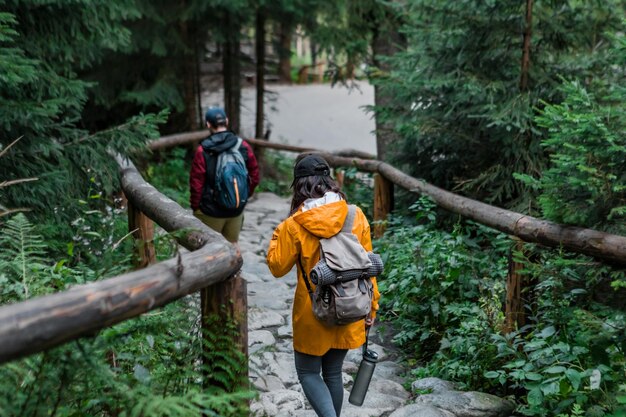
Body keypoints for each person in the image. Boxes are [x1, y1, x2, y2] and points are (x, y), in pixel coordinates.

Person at [266, 154, 380, 417]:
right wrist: (372, 306)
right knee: (332, 373)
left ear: (299, 186)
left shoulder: (294, 225)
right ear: (328, 181)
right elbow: (368, 266)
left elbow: (276, 266)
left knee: (308, 372)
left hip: (312, 311)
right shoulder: (356, 215)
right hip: (351, 304)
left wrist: (279, 232)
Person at [189, 107, 260, 243]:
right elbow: (255, 175)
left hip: (210, 211)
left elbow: (196, 183)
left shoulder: (202, 150)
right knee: (233, 247)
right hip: (236, 209)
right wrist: (243, 195)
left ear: (208, 124)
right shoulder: (242, 145)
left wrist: (196, 207)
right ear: (226, 121)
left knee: (207, 250)